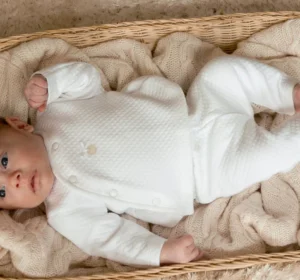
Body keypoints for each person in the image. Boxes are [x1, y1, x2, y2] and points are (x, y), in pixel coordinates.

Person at [0, 56, 299, 267]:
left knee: (222, 71)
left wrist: (50, 81)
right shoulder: (66, 210)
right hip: (207, 173)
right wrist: (159, 251)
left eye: (3, 160)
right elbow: (110, 238)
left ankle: (289, 93)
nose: (11, 179)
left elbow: (86, 78)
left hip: (196, 110)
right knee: (268, 155)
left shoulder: (54, 108)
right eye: (1, 193)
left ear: (18, 124)